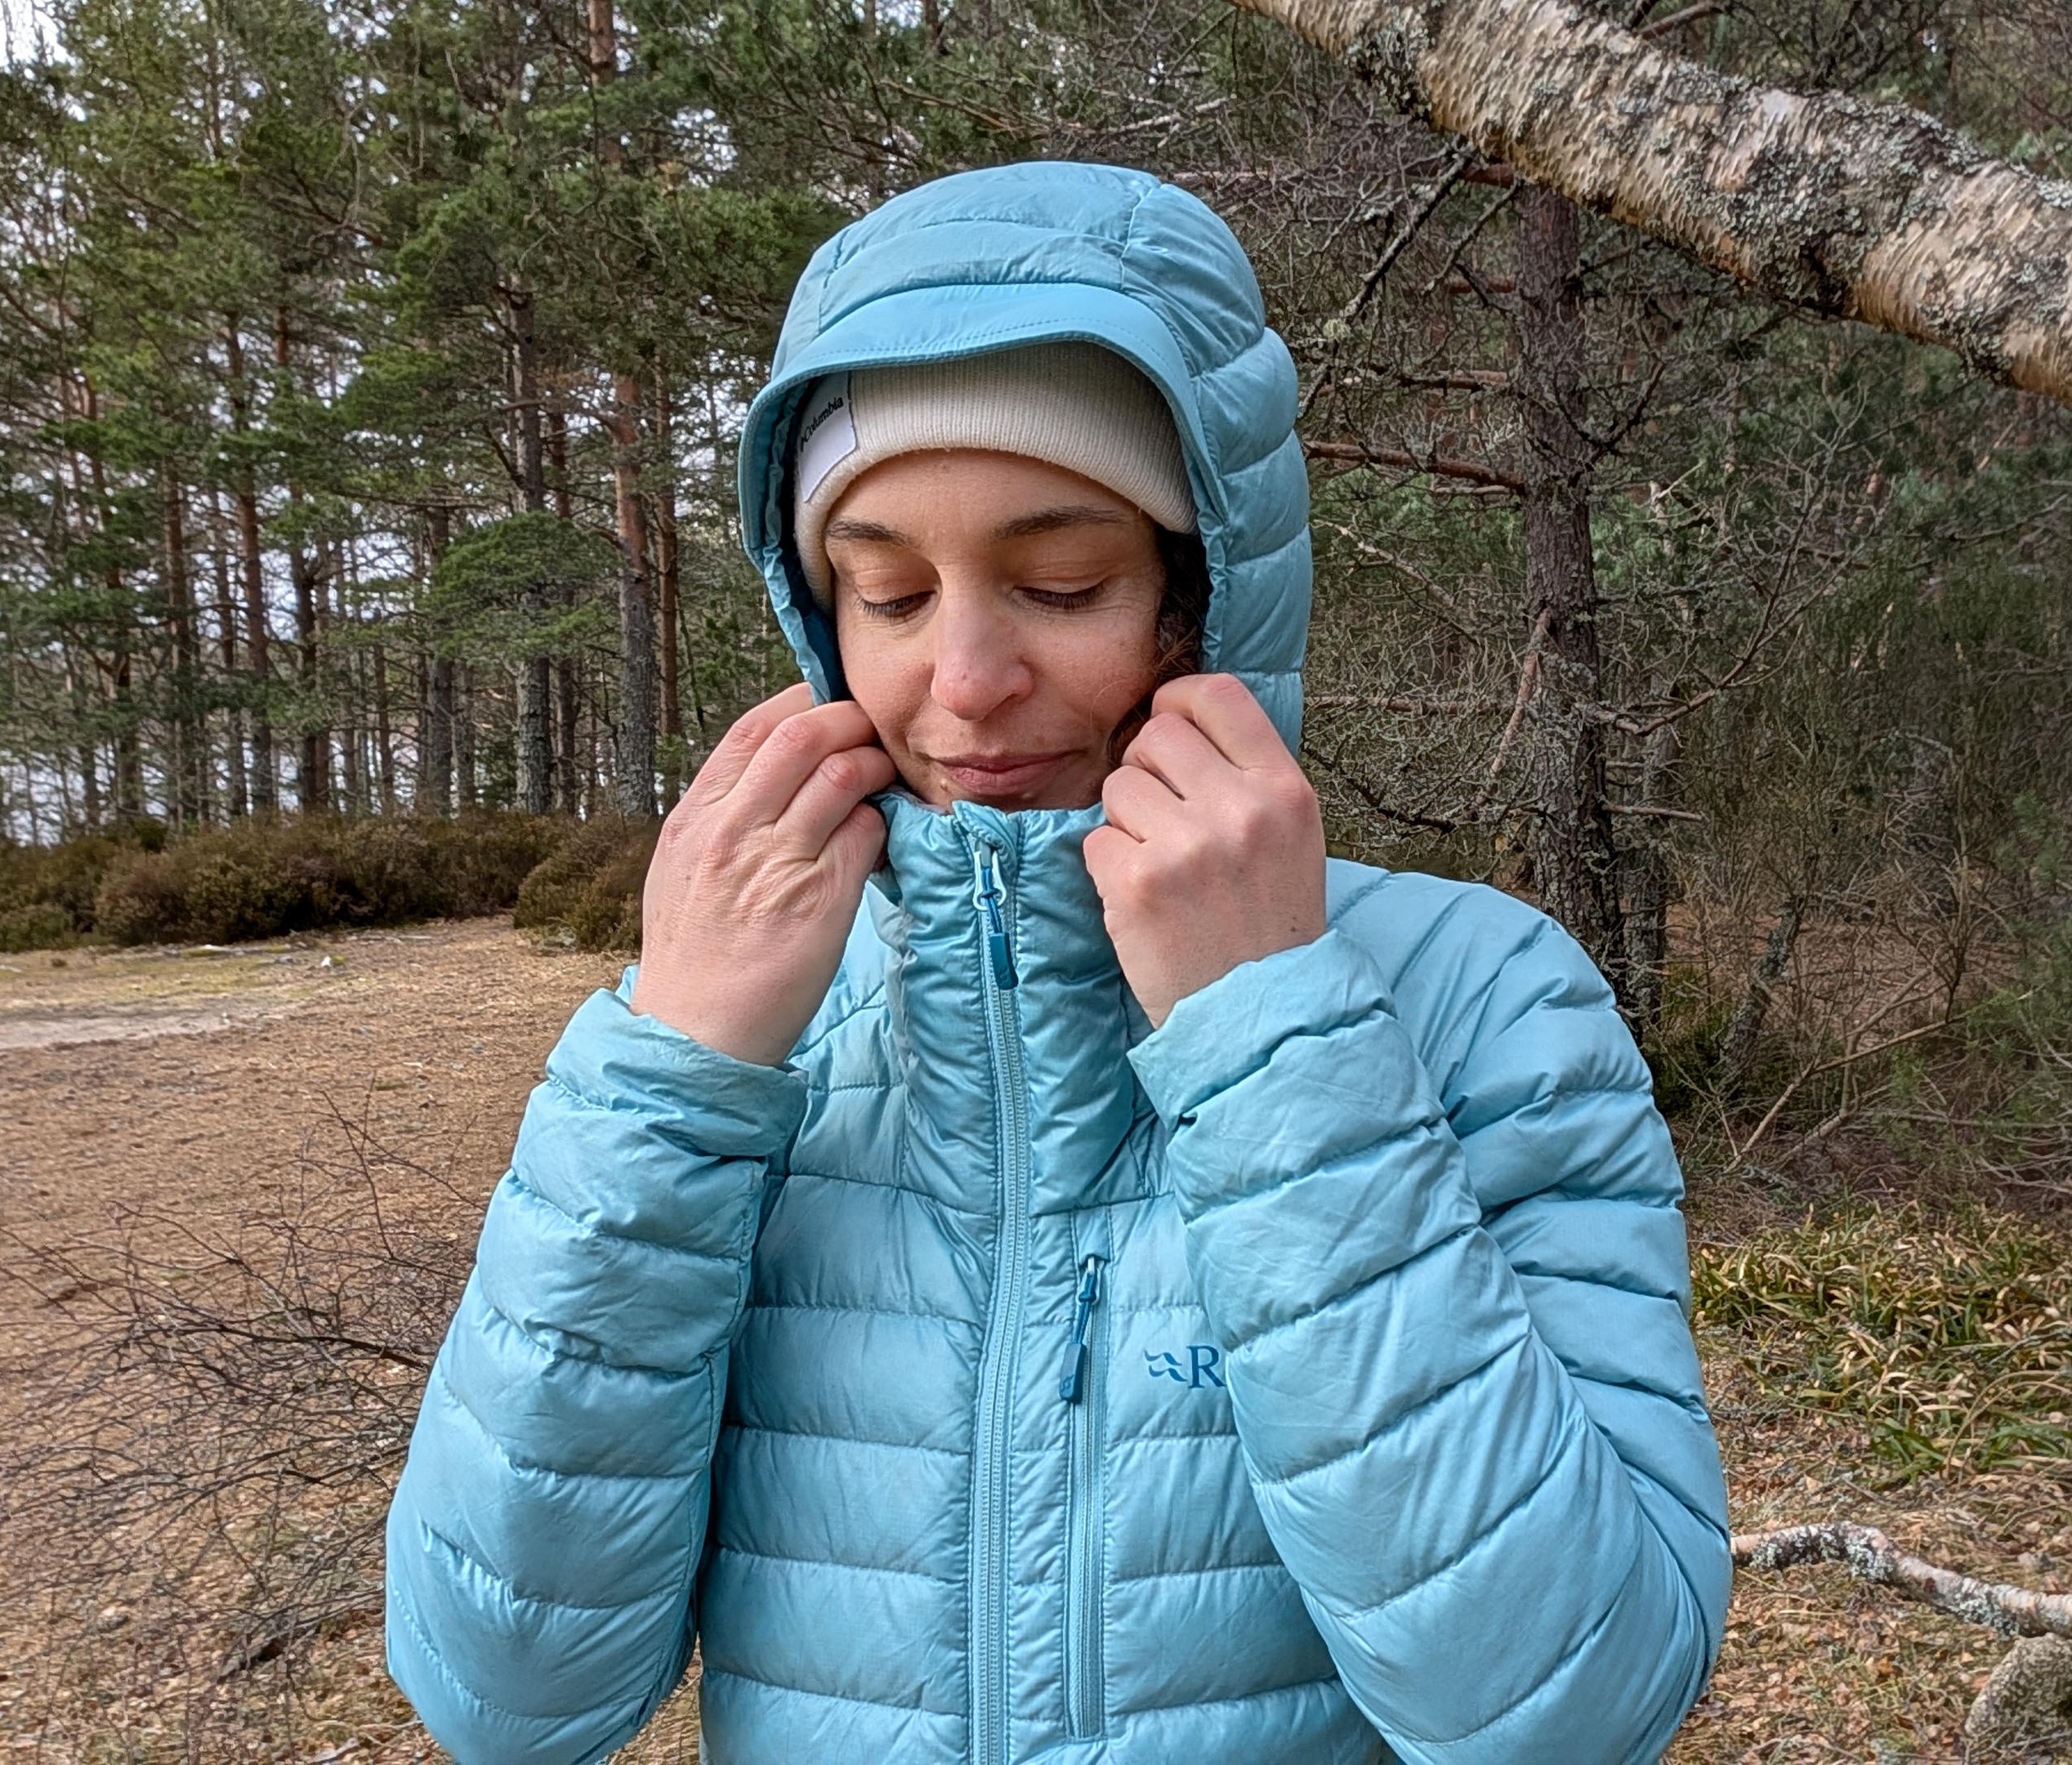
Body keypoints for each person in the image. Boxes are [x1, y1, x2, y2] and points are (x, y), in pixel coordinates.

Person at [382, 160, 1729, 1765]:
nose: (961, 683)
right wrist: (671, 1071)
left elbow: (1577, 1708)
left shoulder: (1478, 1000)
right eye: (884, 590)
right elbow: (506, 1700)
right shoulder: (756, 1039)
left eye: (1061, 581)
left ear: (1199, 593)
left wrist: (1270, 1040)